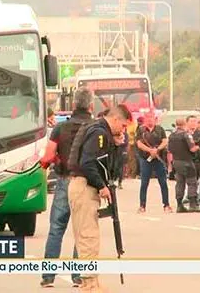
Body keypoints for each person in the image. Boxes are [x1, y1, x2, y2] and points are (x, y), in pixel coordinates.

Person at [68, 105, 131, 292]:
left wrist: (118, 146)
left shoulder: (101, 132)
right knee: (88, 238)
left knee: (88, 237)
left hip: (85, 187)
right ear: (116, 120)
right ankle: (88, 285)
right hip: (85, 186)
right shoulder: (99, 134)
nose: (124, 130)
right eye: (124, 125)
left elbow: (110, 165)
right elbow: (88, 163)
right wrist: (101, 186)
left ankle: (92, 281)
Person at [39, 87, 94, 288]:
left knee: (56, 229)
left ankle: (48, 276)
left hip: (64, 181)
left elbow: (47, 157)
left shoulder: (60, 129)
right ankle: (77, 275)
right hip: (86, 184)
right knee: (82, 230)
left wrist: (47, 163)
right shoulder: (95, 127)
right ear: (91, 106)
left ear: (73, 105)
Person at [135, 111, 172, 213]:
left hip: (159, 158)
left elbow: (165, 141)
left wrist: (157, 150)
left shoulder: (160, 129)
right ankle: (142, 206)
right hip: (145, 159)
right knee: (144, 183)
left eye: (151, 117)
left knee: (163, 182)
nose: (150, 119)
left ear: (154, 119)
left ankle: (166, 205)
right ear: (145, 119)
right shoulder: (141, 130)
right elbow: (139, 143)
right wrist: (150, 150)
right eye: (148, 118)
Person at [168, 118, 200, 213]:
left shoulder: (172, 136)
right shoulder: (186, 135)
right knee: (192, 182)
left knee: (180, 183)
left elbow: (169, 151)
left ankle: (179, 204)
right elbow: (192, 149)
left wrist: (170, 164)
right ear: (184, 124)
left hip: (176, 162)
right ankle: (193, 204)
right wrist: (198, 146)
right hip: (187, 161)